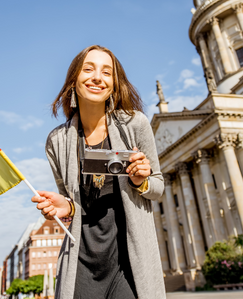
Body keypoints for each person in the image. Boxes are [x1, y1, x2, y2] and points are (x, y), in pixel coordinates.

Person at [31, 45, 165, 299]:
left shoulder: (135, 124)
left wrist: (141, 181)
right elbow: (75, 206)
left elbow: (158, 188)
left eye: (107, 72)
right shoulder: (56, 141)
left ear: (114, 84)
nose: (97, 78)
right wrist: (66, 208)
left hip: (129, 262)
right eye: (88, 69)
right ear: (74, 80)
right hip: (83, 262)